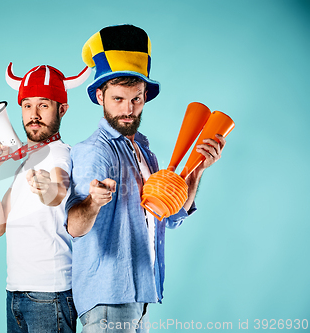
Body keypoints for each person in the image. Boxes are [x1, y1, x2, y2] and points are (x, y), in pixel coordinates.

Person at [66, 25, 227, 332]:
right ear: (100, 95)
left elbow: (170, 214)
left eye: (136, 99)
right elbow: (75, 226)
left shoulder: (143, 152)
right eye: (118, 99)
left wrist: (197, 169)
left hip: (141, 294)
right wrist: (92, 201)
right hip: (108, 298)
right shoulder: (94, 152)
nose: (128, 110)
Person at [0, 63, 90, 333]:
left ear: (62, 109)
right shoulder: (23, 165)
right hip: (15, 291)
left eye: (44, 105)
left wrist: (47, 188)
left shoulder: (62, 154)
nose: (34, 115)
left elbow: (57, 191)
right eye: (27, 105)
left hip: (49, 294)